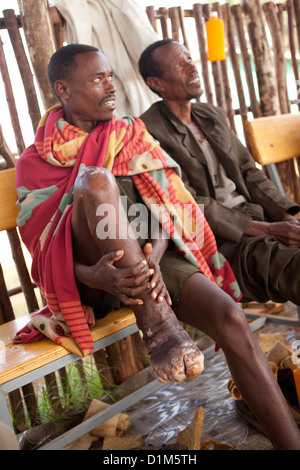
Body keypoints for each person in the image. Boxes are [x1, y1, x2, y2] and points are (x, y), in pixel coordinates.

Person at [15, 44, 300, 449]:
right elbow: (42, 249)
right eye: (98, 78)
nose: (111, 85)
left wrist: (155, 243)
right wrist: (90, 273)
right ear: (63, 89)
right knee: (95, 182)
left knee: (230, 316)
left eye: (110, 75)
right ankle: (159, 325)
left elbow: (171, 201)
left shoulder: (129, 132)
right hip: (93, 280)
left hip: (149, 263)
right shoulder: (35, 161)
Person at [139, 38, 300, 306]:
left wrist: (290, 214)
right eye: (180, 64)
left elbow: (250, 172)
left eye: (190, 58)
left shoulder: (210, 115)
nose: (193, 67)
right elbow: (185, 205)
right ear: (156, 83)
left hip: (257, 218)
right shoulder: (148, 131)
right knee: (293, 267)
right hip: (221, 241)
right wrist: (268, 228)